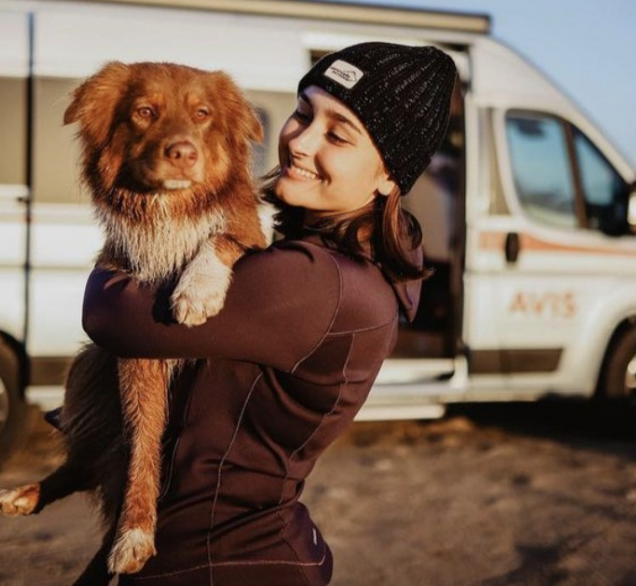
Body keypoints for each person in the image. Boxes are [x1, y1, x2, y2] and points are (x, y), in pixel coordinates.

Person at [81, 42, 458, 586]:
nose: (300, 141)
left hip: (223, 565)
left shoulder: (315, 280)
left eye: (337, 134)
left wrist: (119, 243)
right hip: (228, 555)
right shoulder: (340, 263)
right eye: (304, 113)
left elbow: (114, 316)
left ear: (387, 178)